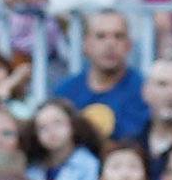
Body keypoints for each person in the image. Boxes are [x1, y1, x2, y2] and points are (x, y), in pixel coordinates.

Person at [53, 11, 147, 142]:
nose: (110, 44)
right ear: (85, 44)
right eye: (101, 36)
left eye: (118, 36)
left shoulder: (145, 91)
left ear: (129, 44)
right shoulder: (65, 92)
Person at [27, 99, 104, 180]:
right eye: (43, 127)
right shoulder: (33, 169)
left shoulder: (88, 164)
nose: (51, 131)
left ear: (72, 125)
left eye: (57, 123)